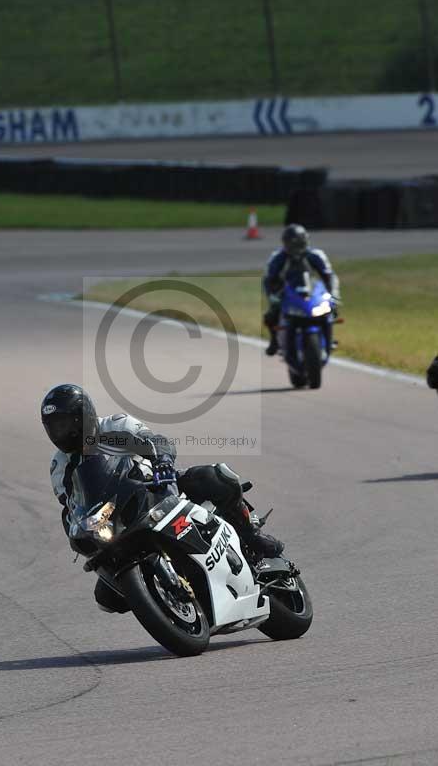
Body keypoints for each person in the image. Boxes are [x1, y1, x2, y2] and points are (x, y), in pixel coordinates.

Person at [41, 384, 284, 611]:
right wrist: (76, 529)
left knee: (215, 477)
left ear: (82, 416)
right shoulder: (60, 466)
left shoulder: (114, 427)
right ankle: (161, 597)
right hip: (118, 520)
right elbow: (71, 506)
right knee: (107, 598)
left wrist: (163, 462)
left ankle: (251, 535)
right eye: (53, 427)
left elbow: (155, 441)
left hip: (157, 489)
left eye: (63, 425)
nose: (60, 433)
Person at [263, 223, 340, 356]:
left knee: (330, 310)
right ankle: (274, 341)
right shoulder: (277, 257)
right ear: (286, 244)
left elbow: (329, 276)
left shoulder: (316, 255)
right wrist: (272, 297)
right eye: (293, 244)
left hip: (311, 289)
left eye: (299, 243)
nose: (296, 248)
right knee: (270, 315)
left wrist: (333, 295)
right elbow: (269, 280)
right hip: (287, 291)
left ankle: (329, 340)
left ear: (305, 241)